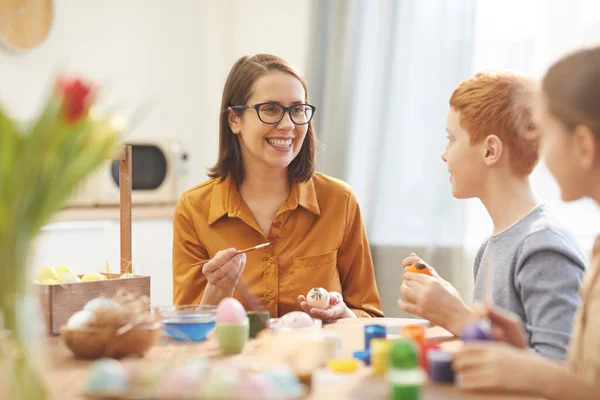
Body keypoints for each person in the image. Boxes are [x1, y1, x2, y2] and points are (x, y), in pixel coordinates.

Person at [172, 54, 383, 320]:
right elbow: (186, 333)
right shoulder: (194, 210)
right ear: (234, 120)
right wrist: (217, 291)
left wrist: (341, 315)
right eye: (270, 109)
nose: (287, 125)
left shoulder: (339, 201)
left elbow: (370, 317)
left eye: (297, 110)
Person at [398, 70, 586, 360]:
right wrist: (451, 303)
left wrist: (459, 316)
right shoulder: (491, 247)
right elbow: (503, 348)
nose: (444, 155)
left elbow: (561, 370)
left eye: (451, 139)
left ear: (490, 150)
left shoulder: (544, 246)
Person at [452, 46, 600, 399]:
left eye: (546, 135)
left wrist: (528, 368)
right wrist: (520, 354)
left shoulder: (545, 242)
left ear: (582, 146)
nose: (539, 151)